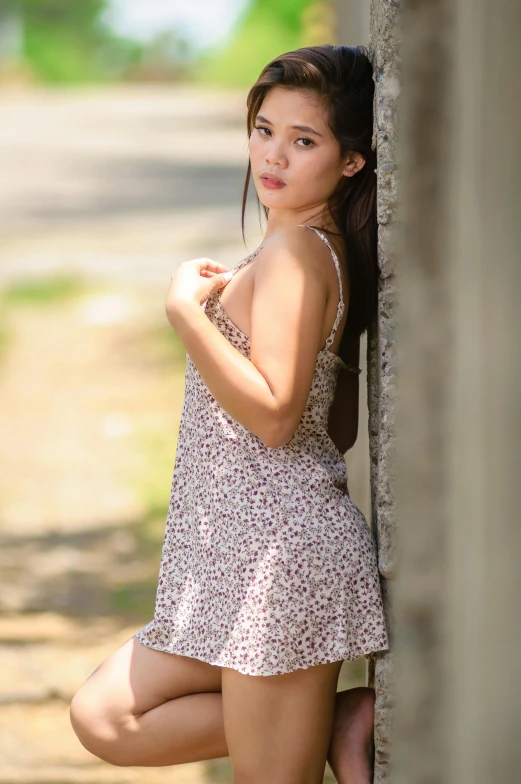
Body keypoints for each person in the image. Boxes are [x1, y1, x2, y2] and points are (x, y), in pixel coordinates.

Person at [69, 44, 389, 784]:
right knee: (105, 717)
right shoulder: (303, 251)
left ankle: (310, 723)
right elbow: (325, 425)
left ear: (350, 162)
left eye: (303, 140)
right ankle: (328, 719)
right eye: (264, 129)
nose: (272, 155)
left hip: (276, 562)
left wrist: (187, 315)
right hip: (234, 556)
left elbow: (276, 418)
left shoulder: (295, 255)